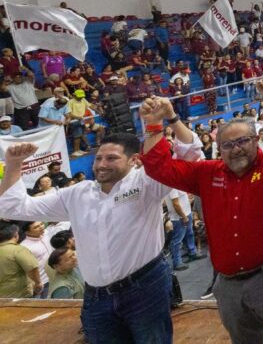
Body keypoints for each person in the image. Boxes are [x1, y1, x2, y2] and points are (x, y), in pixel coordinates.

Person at [140, 74, 263, 344]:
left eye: (242, 141)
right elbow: (158, 167)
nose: (236, 149)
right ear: (219, 148)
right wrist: (153, 124)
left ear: (255, 140)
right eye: (228, 144)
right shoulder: (206, 173)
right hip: (228, 285)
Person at [0, 118, 200, 343]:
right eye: (98, 158)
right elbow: (13, 207)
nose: (101, 164)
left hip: (145, 288)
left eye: (112, 158)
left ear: (134, 160)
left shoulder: (147, 183)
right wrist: (14, 164)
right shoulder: (77, 193)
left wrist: (171, 118)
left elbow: (191, 157)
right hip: (96, 296)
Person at [165, 187, 206, 271]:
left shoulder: (177, 184)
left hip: (187, 213)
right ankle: (177, 262)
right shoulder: (172, 187)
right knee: (177, 240)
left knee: (189, 234)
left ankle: (192, 252)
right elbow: (175, 204)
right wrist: (183, 217)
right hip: (179, 217)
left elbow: (179, 200)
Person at [0, 220, 40, 298]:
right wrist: (38, 283)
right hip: (19, 295)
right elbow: (32, 269)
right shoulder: (18, 250)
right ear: (16, 235)